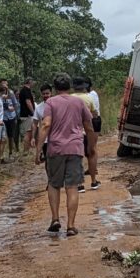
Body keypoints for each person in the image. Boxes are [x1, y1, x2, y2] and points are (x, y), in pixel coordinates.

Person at [35, 73, 95, 236]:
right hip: (75, 148)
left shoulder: (51, 103)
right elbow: (89, 126)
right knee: (72, 187)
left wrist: (39, 149)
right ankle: (71, 225)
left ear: (54, 88)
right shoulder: (79, 102)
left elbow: (46, 125)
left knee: (54, 184)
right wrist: (91, 146)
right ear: (69, 87)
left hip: (55, 149)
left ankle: (55, 219)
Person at [72, 76, 100, 191]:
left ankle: (79, 184)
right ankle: (93, 182)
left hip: (74, 132)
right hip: (87, 130)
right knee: (91, 153)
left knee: (77, 157)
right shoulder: (89, 98)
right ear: (84, 86)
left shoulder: (70, 98)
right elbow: (95, 114)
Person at [31, 83, 53, 166]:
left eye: (47, 93)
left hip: (57, 138)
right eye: (44, 94)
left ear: (51, 93)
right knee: (48, 161)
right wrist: (33, 137)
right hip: (45, 139)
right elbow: (35, 123)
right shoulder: (39, 107)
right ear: (41, 94)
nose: (45, 95)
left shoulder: (57, 105)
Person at [0, 78, 19, 160]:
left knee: (11, 136)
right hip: (2, 117)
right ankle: (0, 155)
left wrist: (13, 109)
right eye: (3, 84)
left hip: (11, 116)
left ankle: (11, 153)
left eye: (6, 84)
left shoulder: (11, 93)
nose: (4, 85)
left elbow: (16, 104)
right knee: (1, 137)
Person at [19, 77, 35, 151]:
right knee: (28, 133)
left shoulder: (25, 90)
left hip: (26, 114)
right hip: (27, 114)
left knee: (29, 132)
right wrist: (33, 112)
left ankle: (27, 149)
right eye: (32, 82)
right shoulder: (25, 91)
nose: (33, 83)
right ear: (29, 82)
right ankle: (26, 150)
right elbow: (28, 102)